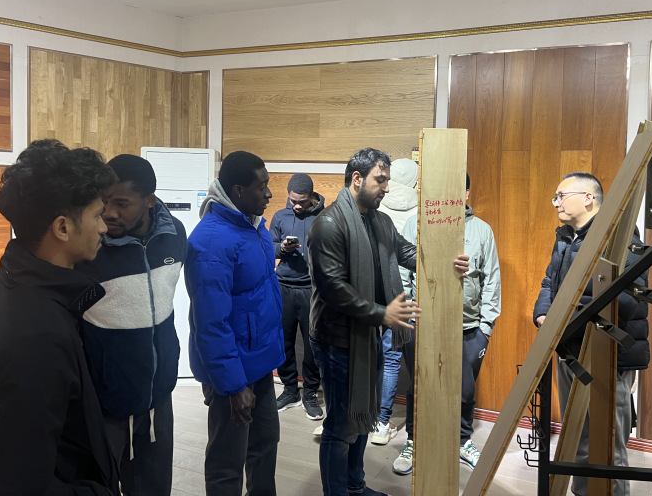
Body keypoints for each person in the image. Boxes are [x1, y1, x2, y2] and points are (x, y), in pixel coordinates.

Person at [0, 139, 120, 495]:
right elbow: (14, 485)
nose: (104, 227)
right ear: (62, 228)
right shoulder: (36, 335)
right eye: (96, 215)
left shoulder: (1, 290)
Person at [308, 147, 469, 496]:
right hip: (337, 340)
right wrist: (383, 313)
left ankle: (355, 485)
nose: (386, 188)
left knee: (363, 415)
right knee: (341, 426)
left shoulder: (379, 222)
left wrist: (446, 261)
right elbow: (333, 289)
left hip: (367, 335)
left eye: (387, 181)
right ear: (356, 179)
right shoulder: (329, 224)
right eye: (380, 180)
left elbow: (407, 252)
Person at [532, 172, 649, 496]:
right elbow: (549, 282)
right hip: (569, 348)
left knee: (607, 447)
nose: (556, 203)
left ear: (588, 198)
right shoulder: (565, 237)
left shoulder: (619, 236)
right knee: (578, 439)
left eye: (561, 195)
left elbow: (627, 298)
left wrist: (563, 317)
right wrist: (544, 314)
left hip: (605, 353)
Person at [77, 154, 187, 496]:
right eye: (105, 202)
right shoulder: (88, 247)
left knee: (154, 488)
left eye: (122, 204)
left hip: (158, 395)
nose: (110, 213)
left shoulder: (174, 235)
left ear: (150, 200)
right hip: (104, 401)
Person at [185, 150, 285, 496]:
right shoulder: (211, 243)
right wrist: (232, 386)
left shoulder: (254, 226)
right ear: (238, 190)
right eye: (262, 187)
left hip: (259, 364)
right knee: (227, 463)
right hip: (231, 373)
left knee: (265, 444)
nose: (269, 194)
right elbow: (210, 323)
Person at [393, 173, 501, 474]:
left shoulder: (481, 230)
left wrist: (486, 328)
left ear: (466, 194)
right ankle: (414, 440)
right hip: (422, 323)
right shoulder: (414, 225)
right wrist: (408, 316)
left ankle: (462, 440)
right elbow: (402, 274)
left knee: (465, 389)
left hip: (468, 326)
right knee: (419, 385)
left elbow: (492, 278)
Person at [269, 173, 325, 420]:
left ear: (311, 196)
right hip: (283, 287)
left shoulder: (324, 217)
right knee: (283, 342)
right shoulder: (280, 216)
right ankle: (290, 390)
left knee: (313, 345)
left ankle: (310, 393)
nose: (297, 206)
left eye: (302, 202)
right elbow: (268, 248)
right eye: (293, 201)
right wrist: (281, 248)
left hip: (313, 289)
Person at [371, 158, 419, 445]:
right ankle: (385, 421)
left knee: (375, 357)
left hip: (377, 294)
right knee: (397, 360)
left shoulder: (378, 209)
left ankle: (372, 417)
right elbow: (413, 254)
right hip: (407, 295)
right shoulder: (420, 210)